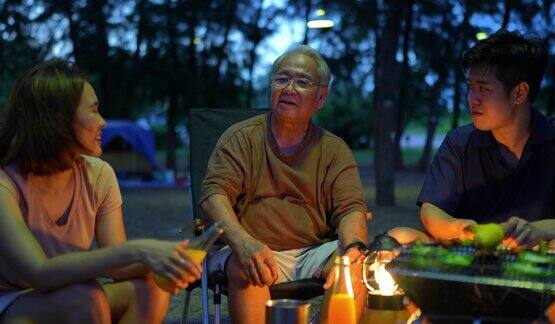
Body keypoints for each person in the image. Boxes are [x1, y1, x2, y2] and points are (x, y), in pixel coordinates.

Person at [389, 30, 555, 323]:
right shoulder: (460, 142)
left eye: (484, 89)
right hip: (466, 260)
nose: (471, 99)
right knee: (398, 238)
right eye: (470, 87)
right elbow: (431, 210)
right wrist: (463, 230)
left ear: (519, 93)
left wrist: (539, 230)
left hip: (535, 263)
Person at [0, 60, 201, 324]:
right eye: (94, 111)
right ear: (57, 120)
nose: (103, 122)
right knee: (86, 298)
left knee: (149, 289)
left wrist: (171, 258)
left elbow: (118, 267)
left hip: (74, 291)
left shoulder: (98, 175)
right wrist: (138, 249)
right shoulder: (7, 183)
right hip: (15, 301)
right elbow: (40, 273)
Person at [199, 45, 368, 323]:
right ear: (271, 88)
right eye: (281, 79)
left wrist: (352, 252)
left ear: (321, 97)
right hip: (248, 246)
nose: (289, 88)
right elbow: (212, 195)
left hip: (312, 250)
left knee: (355, 268)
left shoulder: (334, 151)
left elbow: (351, 209)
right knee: (247, 266)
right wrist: (243, 243)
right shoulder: (241, 139)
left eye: (302, 82)